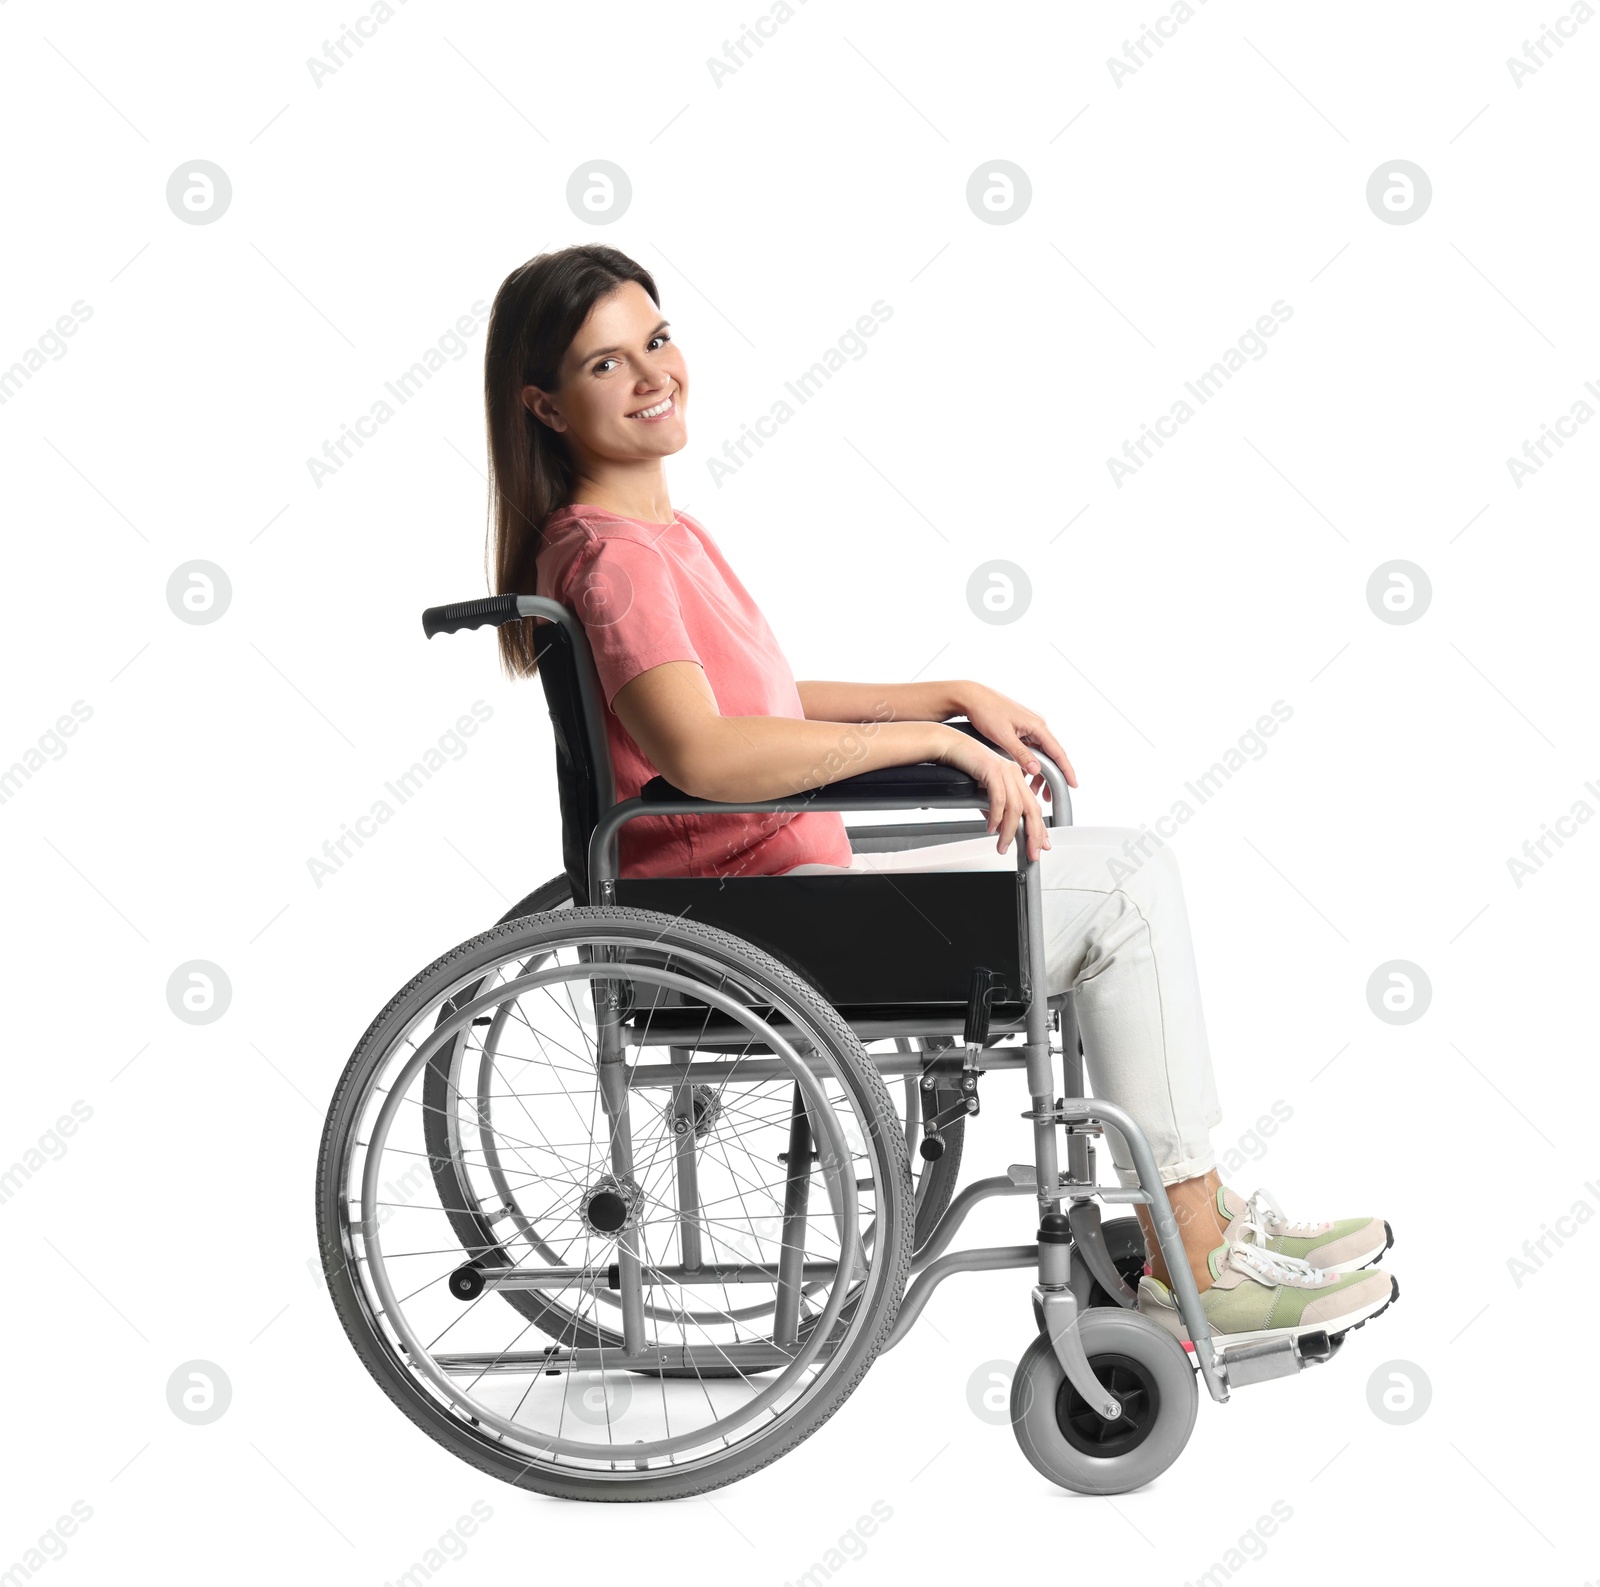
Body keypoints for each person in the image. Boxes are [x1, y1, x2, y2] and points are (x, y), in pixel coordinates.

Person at [481, 243, 1398, 1349]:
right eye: (604, 365)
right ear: (544, 404)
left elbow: (760, 697)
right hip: (748, 924)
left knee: (1122, 868)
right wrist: (930, 743)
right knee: (1123, 896)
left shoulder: (651, 541)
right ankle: (1192, 1243)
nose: (651, 375)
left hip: (776, 895)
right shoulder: (615, 560)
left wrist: (949, 695)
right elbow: (711, 756)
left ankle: (1198, 1222)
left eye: (658, 341)